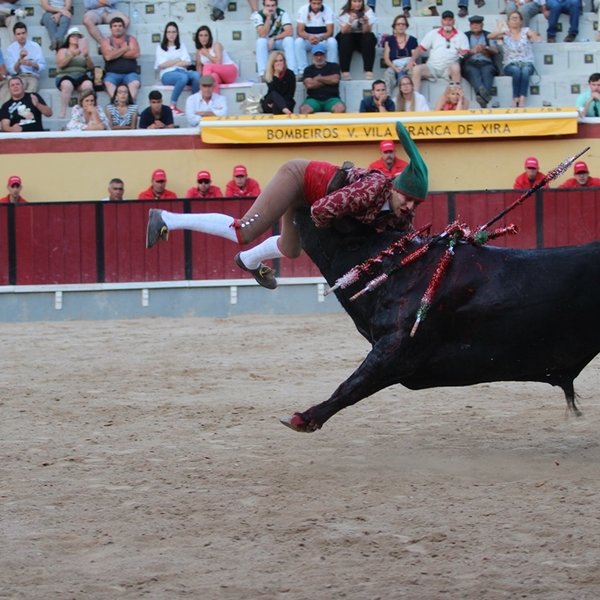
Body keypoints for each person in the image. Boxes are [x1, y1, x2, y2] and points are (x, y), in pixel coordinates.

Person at [145, 121, 428, 291]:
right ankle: (167, 218)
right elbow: (321, 211)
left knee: (291, 250)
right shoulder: (373, 189)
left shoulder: (400, 215)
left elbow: (407, 240)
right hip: (297, 180)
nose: (411, 207)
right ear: (396, 188)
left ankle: (247, 261)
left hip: (310, 197)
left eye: (416, 203)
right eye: (408, 199)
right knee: (242, 230)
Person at [488, 12, 540, 108]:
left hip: (526, 62)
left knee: (524, 71)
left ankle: (522, 98)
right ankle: (515, 98)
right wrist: (502, 32)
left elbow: (533, 35)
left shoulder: (526, 31)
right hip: (510, 64)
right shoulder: (505, 34)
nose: (515, 20)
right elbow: (490, 36)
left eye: (517, 18)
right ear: (508, 21)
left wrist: (533, 35)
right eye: (512, 18)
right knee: (516, 70)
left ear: (521, 21)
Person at [409, 11, 469, 92]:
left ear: (454, 21)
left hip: (449, 69)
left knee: (456, 67)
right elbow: (420, 48)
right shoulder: (433, 33)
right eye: (445, 20)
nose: (447, 22)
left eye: (450, 20)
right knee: (416, 69)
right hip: (432, 67)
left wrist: (464, 53)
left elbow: (466, 53)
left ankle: (457, 97)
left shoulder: (461, 35)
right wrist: (412, 60)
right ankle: (415, 99)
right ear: (441, 21)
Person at [155, 22, 199, 116]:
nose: (171, 34)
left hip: (182, 71)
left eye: (174, 32)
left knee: (196, 75)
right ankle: (172, 106)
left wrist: (171, 63)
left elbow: (188, 62)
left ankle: (195, 104)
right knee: (183, 78)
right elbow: (162, 65)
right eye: (169, 32)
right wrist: (177, 60)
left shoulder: (182, 46)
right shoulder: (160, 47)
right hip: (167, 74)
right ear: (165, 33)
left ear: (177, 33)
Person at [55, 26, 94, 118]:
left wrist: (86, 56)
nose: (76, 38)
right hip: (65, 75)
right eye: (73, 36)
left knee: (88, 85)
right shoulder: (63, 50)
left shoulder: (83, 50)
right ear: (68, 39)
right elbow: (60, 64)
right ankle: (62, 111)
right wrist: (72, 55)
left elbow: (91, 67)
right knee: (67, 85)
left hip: (81, 75)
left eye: (78, 36)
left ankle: (88, 111)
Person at [252, 0, 297, 80]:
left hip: (279, 40)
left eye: (273, 5)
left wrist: (274, 38)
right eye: (268, 6)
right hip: (266, 41)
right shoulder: (258, 15)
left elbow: (289, 31)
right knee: (260, 41)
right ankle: (263, 74)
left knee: (289, 40)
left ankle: (292, 73)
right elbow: (262, 34)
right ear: (264, 6)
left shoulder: (282, 13)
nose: (270, 8)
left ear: (276, 6)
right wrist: (268, 18)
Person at [461, 15, 499, 108]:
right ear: (470, 26)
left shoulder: (488, 35)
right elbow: (460, 52)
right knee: (472, 71)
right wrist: (471, 51)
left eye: (477, 24)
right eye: (473, 24)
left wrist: (485, 48)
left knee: (487, 71)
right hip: (470, 63)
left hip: (486, 62)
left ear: (482, 25)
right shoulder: (464, 36)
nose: (475, 26)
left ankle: (481, 95)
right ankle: (484, 94)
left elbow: (496, 51)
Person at [100, 16, 140, 101]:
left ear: (124, 28)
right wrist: (124, 49)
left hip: (130, 73)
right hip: (112, 74)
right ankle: (117, 106)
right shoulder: (106, 41)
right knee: (108, 83)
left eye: (120, 26)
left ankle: (130, 107)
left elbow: (135, 54)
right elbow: (108, 56)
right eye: (115, 26)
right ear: (111, 28)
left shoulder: (131, 39)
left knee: (135, 83)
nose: (117, 28)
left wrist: (115, 52)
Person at [295, 0, 338, 78]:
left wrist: (320, 38)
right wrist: (309, 37)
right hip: (309, 40)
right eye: (314, 3)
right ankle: (303, 71)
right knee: (298, 42)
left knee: (332, 42)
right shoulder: (303, 9)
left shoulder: (328, 9)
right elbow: (300, 31)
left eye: (319, 4)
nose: (316, 6)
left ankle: (332, 70)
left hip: (322, 40)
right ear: (309, 2)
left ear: (322, 2)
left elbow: (330, 32)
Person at [336, 0, 377, 81]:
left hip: (362, 37)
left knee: (369, 37)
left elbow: (367, 31)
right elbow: (344, 31)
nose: (357, 4)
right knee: (345, 37)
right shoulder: (343, 11)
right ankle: (345, 71)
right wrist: (350, 21)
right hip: (348, 35)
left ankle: (368, 70)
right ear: (350, 2)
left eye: (359, 1)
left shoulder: (368, 11)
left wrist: (365, 22)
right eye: (354, 1)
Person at [299, 43, 345, 114]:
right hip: (313, 99)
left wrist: (318, 78)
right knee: (304, 109)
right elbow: (309, 85)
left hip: (332, 98)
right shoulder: (308, 69)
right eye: (316, 55)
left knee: (340, 108)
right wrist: (327, 81)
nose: (319, 58)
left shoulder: (334, 66)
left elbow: (335, 80)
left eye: (321, 55)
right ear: (312, 56)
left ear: (325, 55)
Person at [193, 25, 238, 94]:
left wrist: (207, 54)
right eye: (201, 36)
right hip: (219, 76)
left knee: (207, 67)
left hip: (230, 71)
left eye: (206, 35)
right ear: (198, 38)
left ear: (209, 37)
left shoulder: (216, 45)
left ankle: (202, 92)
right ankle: (214, 101)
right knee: (213, 77)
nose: (203, 38)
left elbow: (218, 62)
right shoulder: (198, 51)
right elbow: (199, 68)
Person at [382, 14, 418, 95]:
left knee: (414, 72)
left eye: (403, 24)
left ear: (406, 26)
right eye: (398, 24)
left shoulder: (412, 40)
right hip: (394, 65)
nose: (401, 26)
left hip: (408, 65)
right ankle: (387, 99)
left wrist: (408, 66)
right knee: (388, 74)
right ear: (394, 26)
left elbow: (413, 56)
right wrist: (395, 68)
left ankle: (413, 97)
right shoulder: (389, 40)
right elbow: (386, 58)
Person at [6, 22, 46, 94]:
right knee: (18, 92)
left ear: (27, 33)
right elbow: (11, 70)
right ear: (15, 35)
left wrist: (32, 64)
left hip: (32, 76)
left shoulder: (35, 46)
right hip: (18, 77)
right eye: (18, 34)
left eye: (23, 33)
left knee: (30, 95)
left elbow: (42, 66)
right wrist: (19, 62)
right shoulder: (11, 49)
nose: (21, 36)